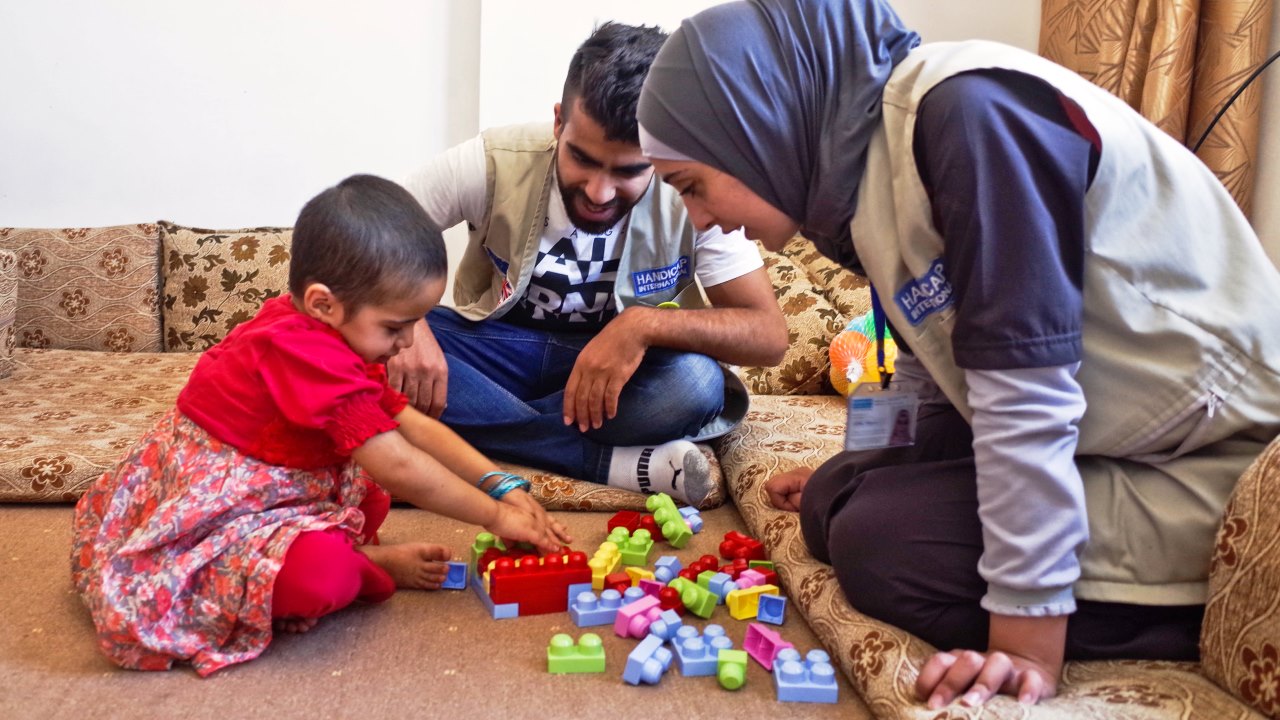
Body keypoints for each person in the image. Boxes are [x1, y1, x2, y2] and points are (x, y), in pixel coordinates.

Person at [637, 0, 1280, 708]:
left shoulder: (968, 116)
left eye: (691, 186)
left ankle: (1186, 607)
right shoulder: (862, 174)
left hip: (1213, 460)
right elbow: (926, 364)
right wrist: (861, 463)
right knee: (831, 500)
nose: (700, 220)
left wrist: (1026, 638)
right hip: (1107, 440)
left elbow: (1023, 389)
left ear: (752, 121)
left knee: (882, 546)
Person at [71, 174, 571, 677]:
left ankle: (325, 562)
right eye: (395, 327)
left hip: (281, 486)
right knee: (323, 579)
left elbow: (409, 424)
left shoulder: (340, 333)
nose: (407, 342)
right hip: (223, 506)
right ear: (323, 304)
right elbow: (399, 464)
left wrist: (498, 482)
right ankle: (370, 566)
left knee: (366, 494)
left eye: (416, 323)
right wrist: (495, 516)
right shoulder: (303, 351)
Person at [397, 21, 788, 507]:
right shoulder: (494, 160)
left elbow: (768, 336)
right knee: (370, 345)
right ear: (559, 121)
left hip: (619, 382)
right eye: (581, 158)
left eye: (627, 171)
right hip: (496, 353)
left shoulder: (690, 189)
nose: (599, 192)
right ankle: (604, 462)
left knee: (696, 383)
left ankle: (452, 432)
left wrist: (641, 327)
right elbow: (364, 235)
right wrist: (410, 326)